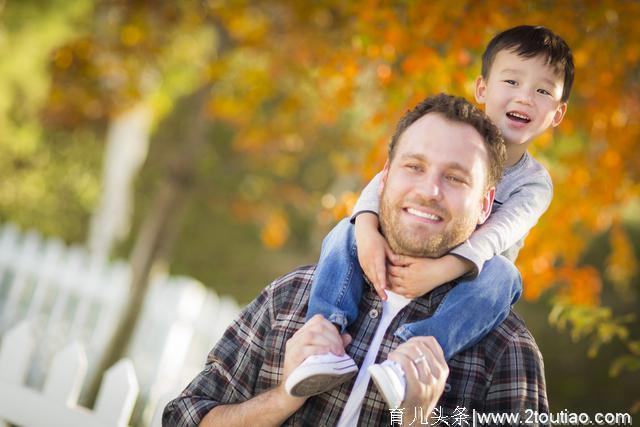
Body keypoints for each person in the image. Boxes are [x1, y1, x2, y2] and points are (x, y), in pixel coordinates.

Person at [163, 94, 549, 426]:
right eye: (414, 167)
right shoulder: (292, 297)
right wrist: (283, 396)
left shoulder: (507, 350)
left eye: (455, 178)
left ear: (485, 205)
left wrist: (419, 420)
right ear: (384, 178)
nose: (429, 190)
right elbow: (185, 418)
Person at [288, 25, 573, 408]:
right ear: (483, 90)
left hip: (474, 279)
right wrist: (369, 230)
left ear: (557, 113)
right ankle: (324, 333)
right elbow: (381, 184)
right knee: (346, 229)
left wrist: (443, 270)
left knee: (505, 276)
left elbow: (498, 235)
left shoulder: (535, 184)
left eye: (542, 91)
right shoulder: (448, 132)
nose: (525, 97)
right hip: (413, 241)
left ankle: (413, 355)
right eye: (512, 81)